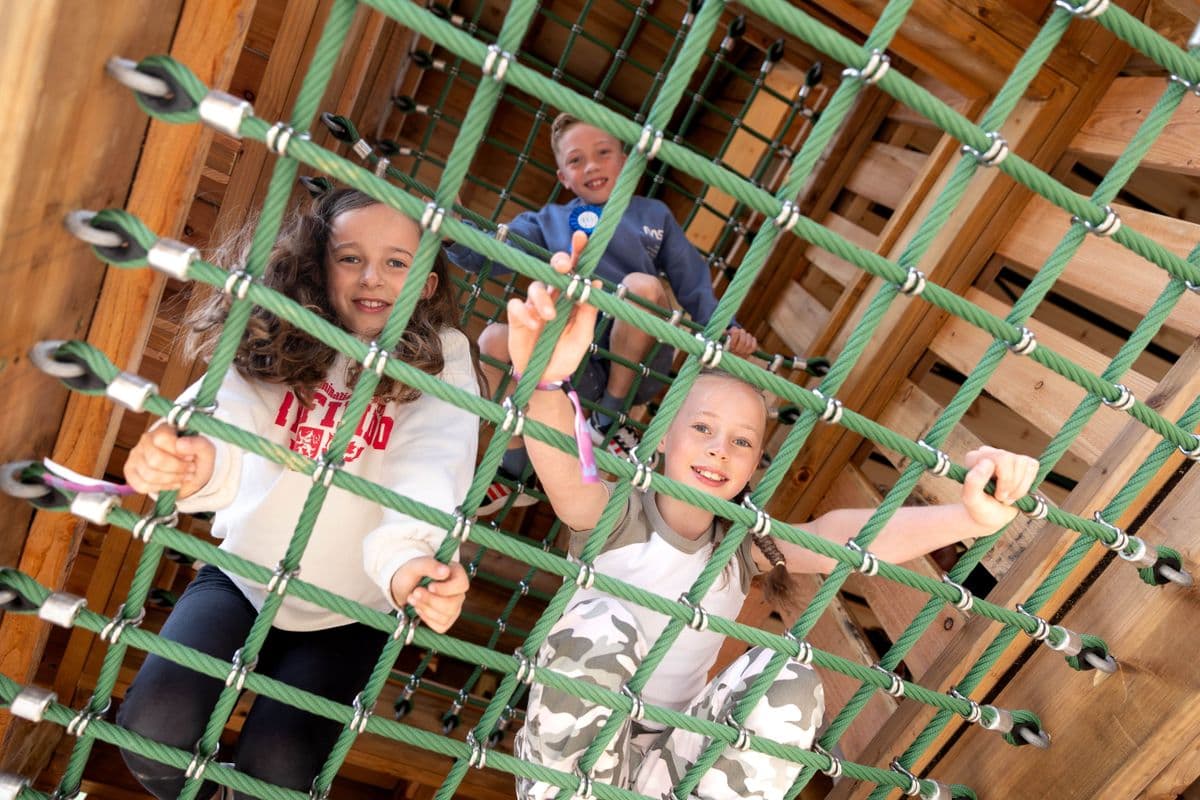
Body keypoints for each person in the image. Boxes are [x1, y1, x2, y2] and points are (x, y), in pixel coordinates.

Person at [504, 232, 1040, 799]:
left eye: (741, 441)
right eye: (703, 428)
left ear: (756, 461)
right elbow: (565, 467)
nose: (719, 450)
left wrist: (968, 518)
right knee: (599, 621)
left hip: (669, 764)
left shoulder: (740, 547)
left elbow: (843, 538)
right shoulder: (615, 515)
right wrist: (546, 379)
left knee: (788, 678)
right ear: (661, 437)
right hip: (575, 759)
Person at [117, 188, 481, 799]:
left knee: (281, 769)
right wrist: (195, 458)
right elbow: (233, 409)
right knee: (153, 728)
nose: (372, 277)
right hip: (245, 576)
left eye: (396, 262)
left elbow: (430, 462)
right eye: (350, 258)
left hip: (351, 609)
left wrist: (407, 556)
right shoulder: (285, 327)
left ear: (426, 285)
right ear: (318, 263)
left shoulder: (442, 359)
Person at [447, 112, 758, 512]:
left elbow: (692, 282)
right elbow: (490, 255)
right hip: (573, 364)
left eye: (603, 153)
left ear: (625, 161)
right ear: (563, 177)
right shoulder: (547, 222)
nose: (591, 165)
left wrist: (726, 330)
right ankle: (516, 463)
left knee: (643, 287)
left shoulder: (653, 215)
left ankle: (610, 418)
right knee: (492, 339)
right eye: (576, 160)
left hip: (637, 363)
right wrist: (454, 229)